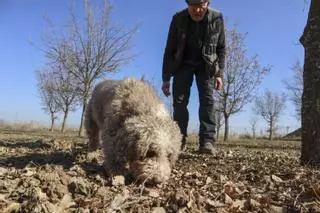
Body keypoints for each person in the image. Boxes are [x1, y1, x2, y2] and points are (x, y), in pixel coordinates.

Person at [161, 0, 225, 154]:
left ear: (208, 3)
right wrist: (166, 78)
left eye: (201, 6)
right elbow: (169, 49)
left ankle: (207, 142)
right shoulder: (178, 19)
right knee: (179, 102)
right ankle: (178, 141)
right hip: (182, 64)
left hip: (207, 65)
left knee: (208, 101)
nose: (197, 10)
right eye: (193, 6)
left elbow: (221, 48)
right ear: (187, 4)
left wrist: (219, 74)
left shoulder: (217, 18)